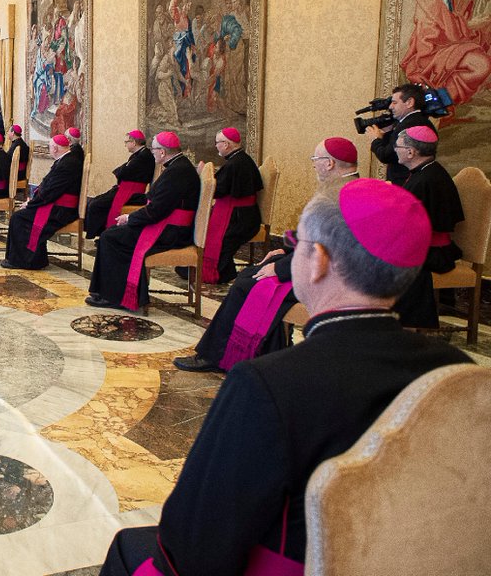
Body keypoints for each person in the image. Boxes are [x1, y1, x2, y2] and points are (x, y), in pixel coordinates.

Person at [99, 179, 471, 576]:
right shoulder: (458, 372)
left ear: (319, 260)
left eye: (295, 241)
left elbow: (195, 540)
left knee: (128, 547)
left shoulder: (267, 385)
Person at [174, 137, 360, 373]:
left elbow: (323, 247)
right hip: (322, 265)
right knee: (250, 276)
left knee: (246, 284)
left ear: (329, 164)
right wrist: (285, 250)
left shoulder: (336, 197)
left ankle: (220, 356)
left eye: (315, 159)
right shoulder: (349, 187)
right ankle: (243, 353)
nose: (313, 164)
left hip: (326, 276)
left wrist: (281, 268)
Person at [87, 131, 199, 311]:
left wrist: (129, 218)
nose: (151, 152)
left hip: (171, 231)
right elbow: (159, 201)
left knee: (110, 238)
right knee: (112, 235)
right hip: (170, 225)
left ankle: (116, 296)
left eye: (154, 149)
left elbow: (156, 210)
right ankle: (108, 292)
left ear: (162, 152)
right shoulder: (179, 166)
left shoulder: (177, 171)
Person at [391, 125, 463, 328]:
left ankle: (398, 324)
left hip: (433, 252)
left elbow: (409, 228)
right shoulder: (427, 172)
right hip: (429, 247)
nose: (395, 149)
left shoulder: (426, 179)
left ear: (411, 152)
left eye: (397, 145)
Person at [1, 134, 82, 269]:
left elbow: (51, 191)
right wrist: (34, 200)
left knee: (18, 218)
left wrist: (32, 203)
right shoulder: (67, 159)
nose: (49, 150)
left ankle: (25, 261)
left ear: (55, 148)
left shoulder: (67, 163)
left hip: (61, 209)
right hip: (57, 204)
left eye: (50, 147)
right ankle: (35, 258)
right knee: (20, 216)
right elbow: (49, 186)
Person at [199, 127, 263, 285]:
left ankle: (220, 273)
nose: (216, 146)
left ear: (226, 144)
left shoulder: (235, 163)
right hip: (243, 214)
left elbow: (218, 190)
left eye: (217, 143)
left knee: (217, 239)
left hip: (240, 218)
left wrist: (203, 175)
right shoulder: (240, 159)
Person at [84, 130, 155, 239]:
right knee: (94, 201)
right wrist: (122, 170)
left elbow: (123, 172)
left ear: (134, 142)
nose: (125, 145)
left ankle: (102, 234)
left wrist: (121, 171)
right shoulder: (139, 155)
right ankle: (102, 233)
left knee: (96, 205)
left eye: (126, 142)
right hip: (125, 188)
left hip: (132, 192)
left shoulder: (144, 156)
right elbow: (123, 170)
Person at [365, 82, 436, 186]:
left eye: (394, 102)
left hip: (406, 183)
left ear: (409, 102)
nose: (390, 106)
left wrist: (375, 140)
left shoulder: (410, 124)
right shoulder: (413, 121)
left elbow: (388, 155)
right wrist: (385, 135)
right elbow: (392, 149)